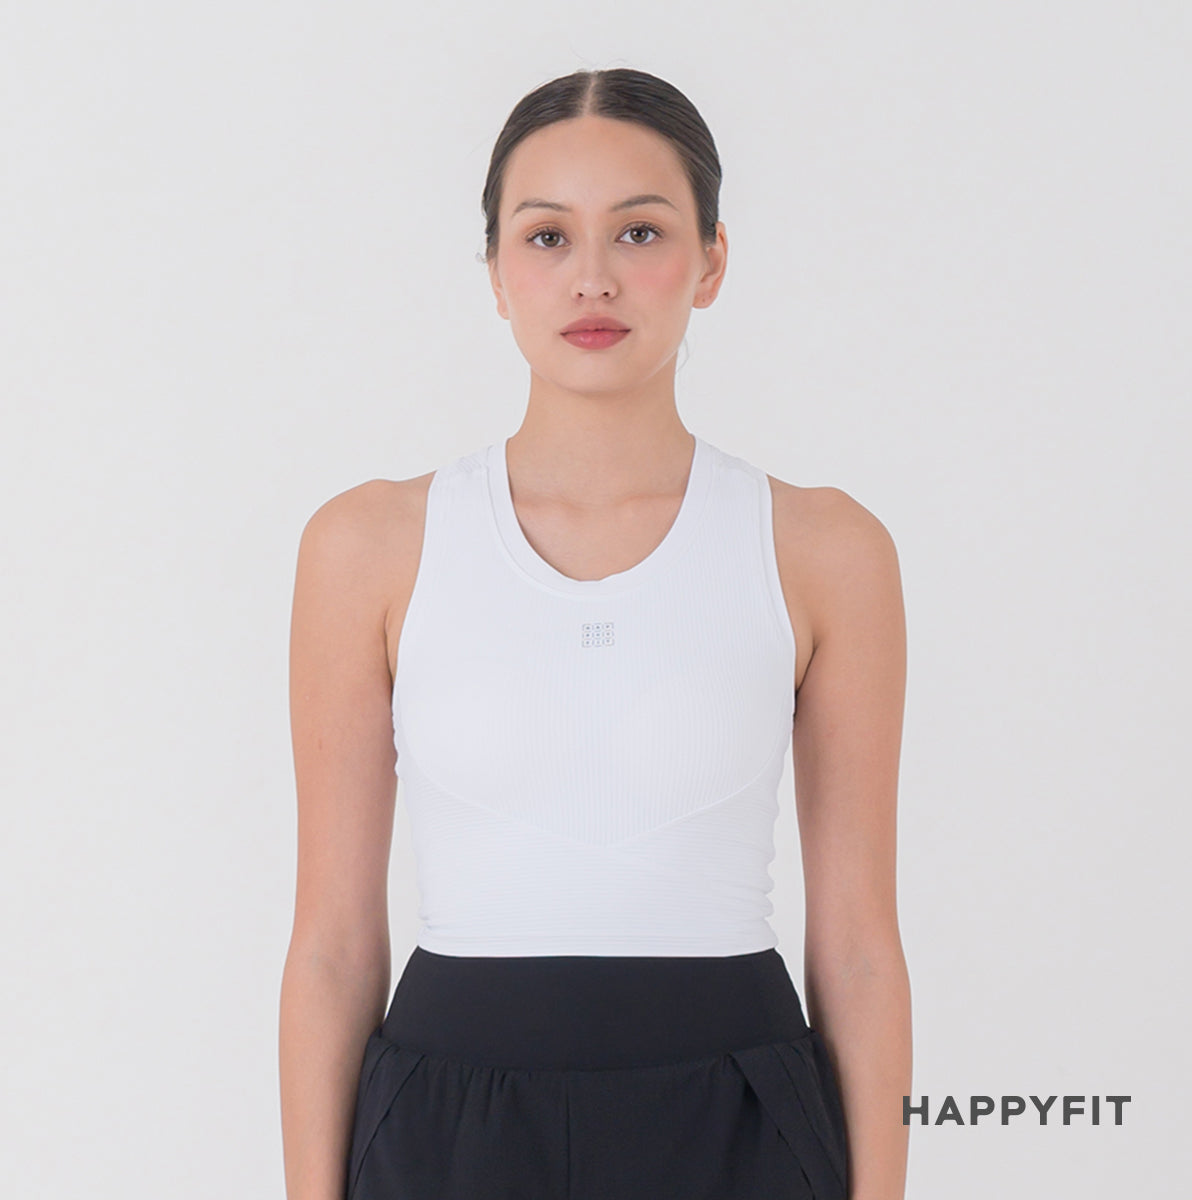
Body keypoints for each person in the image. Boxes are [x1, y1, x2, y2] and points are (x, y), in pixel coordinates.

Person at [280, 66, 911, 1200]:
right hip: (447, 1133)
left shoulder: (825, 549)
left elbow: (861, 946)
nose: (593, 277)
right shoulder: (367, 547)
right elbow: (330, 944)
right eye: (546, 237)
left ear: (711, 260)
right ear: (494, 271)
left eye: (639, 231)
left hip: (739, 1127)